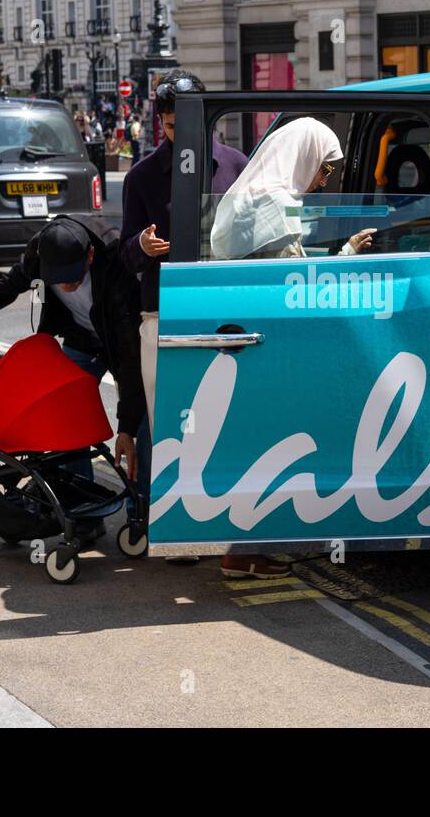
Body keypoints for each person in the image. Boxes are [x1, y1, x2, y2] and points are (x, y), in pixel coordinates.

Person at [123, 69, 311, 579]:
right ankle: (184, 534)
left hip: (229, 314)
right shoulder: (141, 177)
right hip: (163, 315)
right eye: (165, 125)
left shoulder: (237, 165)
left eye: (181, 124)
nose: (174, 133)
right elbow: (124, 255)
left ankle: (237, 542)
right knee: (172, 428)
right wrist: (140, 247)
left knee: (235, 426)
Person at [0, 215, 144, 488]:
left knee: (140, 427)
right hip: (81, 340)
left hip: (120, 340)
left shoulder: (116, 259)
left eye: (72, 279)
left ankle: (141, 508)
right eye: (58, 280)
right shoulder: (42, 248)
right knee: (66, 417)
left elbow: (130, 356)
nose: (65, 286)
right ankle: (78, 497)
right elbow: (17, 278)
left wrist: (127, 427)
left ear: (90, 255)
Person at [211, 117, 376, 260]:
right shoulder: (278, 204)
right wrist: (348, 251)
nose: (324, 182)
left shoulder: (251, 193)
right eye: (325, 169)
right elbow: (298, 281)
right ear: (307, 159)